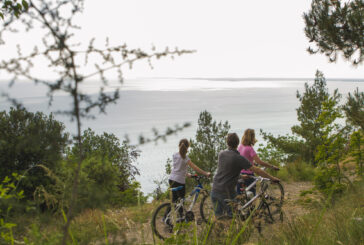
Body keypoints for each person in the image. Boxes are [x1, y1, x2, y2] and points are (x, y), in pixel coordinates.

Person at [211, 133, 280, 218]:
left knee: (219, 219)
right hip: (226, 192)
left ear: (227, 143)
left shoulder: (221, 154)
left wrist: (241, 176)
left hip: (215, 189)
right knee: (233, 218)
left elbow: (226, 171)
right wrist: (272, 178)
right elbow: (257, 170)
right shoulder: (239, 158)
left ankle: (219, 230)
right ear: (237, 143)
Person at [169, 138, 211, 206]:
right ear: (187, 147)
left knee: (175, 201)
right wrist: (205, 173)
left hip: (171, 179)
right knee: (181, 202)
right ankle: (181, 216)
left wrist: (186, 174)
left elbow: (178, 167)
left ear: (179, 145)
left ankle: (166, 216)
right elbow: (195, 168)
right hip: (179, 181)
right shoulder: (186, 158)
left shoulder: (174, 155)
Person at [237, 128, 279, 195]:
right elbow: (260, 162)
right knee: (252, 197)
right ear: (252, 137)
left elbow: (244, 159)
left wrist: (253, 163)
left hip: (240, 174)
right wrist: (272, 166)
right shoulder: (249, 148)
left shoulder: (240, 146)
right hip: (249, 175)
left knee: (240, 196)